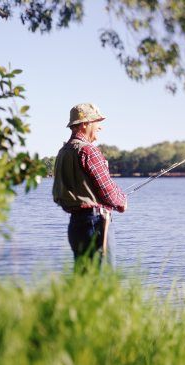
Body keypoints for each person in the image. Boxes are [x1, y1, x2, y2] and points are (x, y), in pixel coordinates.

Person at [52, 103, 127, 272]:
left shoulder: (63, 152)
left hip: (76, 225)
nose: (100, 127)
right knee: (103, 284)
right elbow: (107, 190)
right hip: (96, 224)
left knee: (84, 282)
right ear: (84, 124)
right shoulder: (89, 151)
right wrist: (122, 201)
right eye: (97, 122)